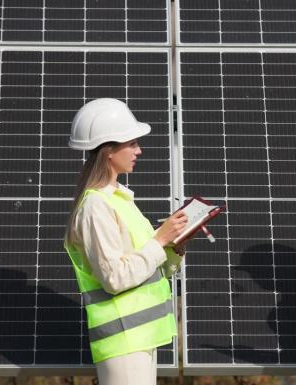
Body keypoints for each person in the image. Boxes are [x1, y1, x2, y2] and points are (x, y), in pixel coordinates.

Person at [63, 98, 188, 385]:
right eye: (131, 143)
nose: (139, 150)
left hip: (139, 337)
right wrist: (160, 241)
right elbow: (114, 278)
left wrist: (174, 247)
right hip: (124, 342)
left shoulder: (120, 200)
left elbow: (148, 268)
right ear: (109, 150)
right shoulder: (95, 207)